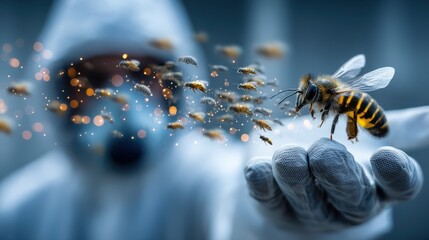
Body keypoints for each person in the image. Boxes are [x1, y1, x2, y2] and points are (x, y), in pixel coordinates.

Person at [0, 0, 426, 239]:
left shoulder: (202, 175)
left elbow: (232, 201)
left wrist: (275, 213)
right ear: (55, 91)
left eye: (144, 75)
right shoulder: (17, 209)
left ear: (181, 84)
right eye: (90, 78)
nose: (118, 97)